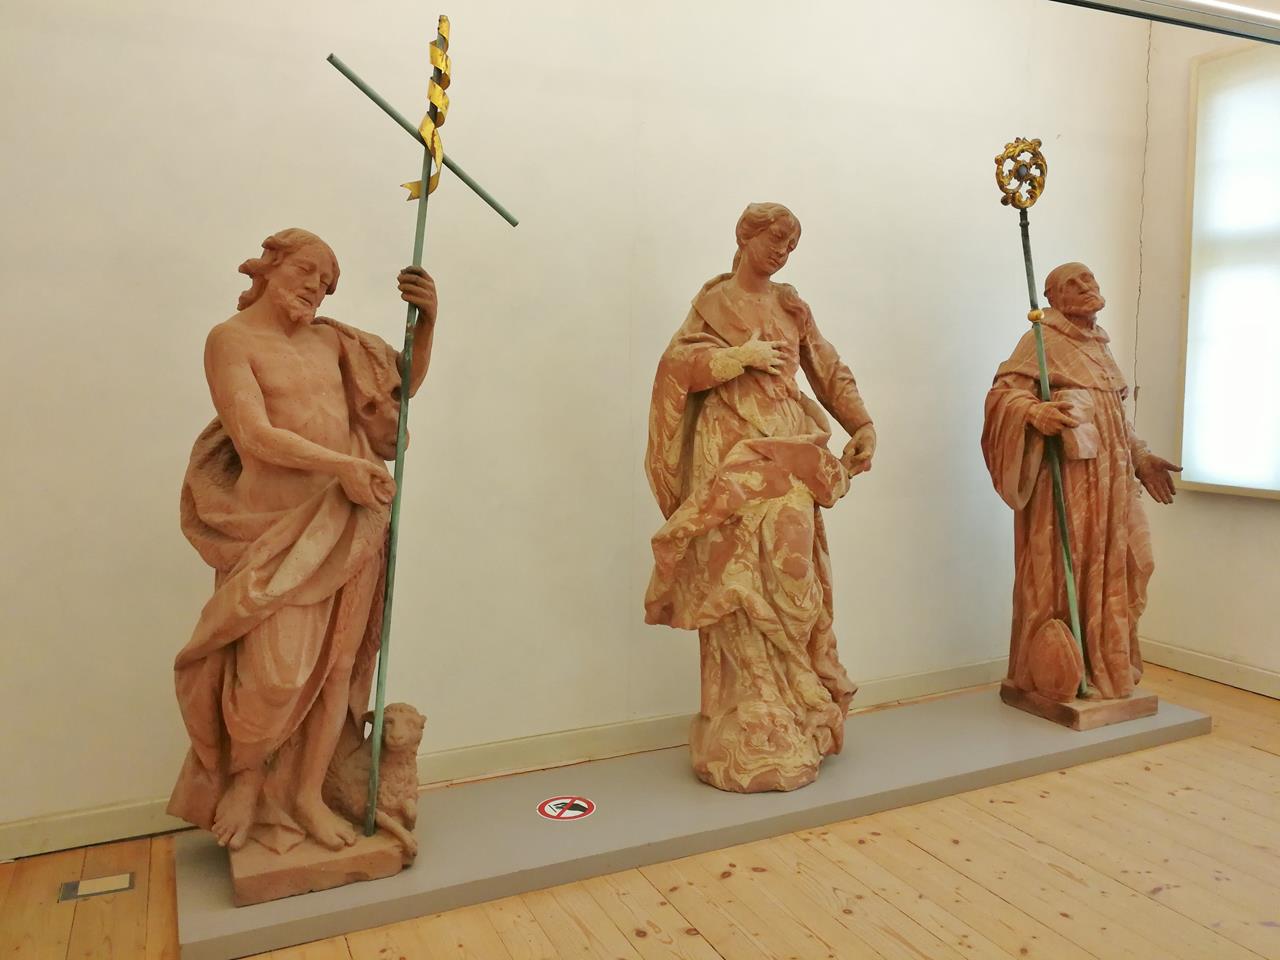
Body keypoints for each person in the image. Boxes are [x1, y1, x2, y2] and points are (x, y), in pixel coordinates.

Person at [168, 228, 438, 852]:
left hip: (349, 520)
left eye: (327, 281)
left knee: (339, 672)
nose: (317, 287)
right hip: (275, 528)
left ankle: (309, 796)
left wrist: (425, 325)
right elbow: (253, 435)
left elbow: (398, 393)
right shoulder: (231, 340)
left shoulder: (332, 342)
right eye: (307, 271)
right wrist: (342, 464)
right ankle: (246, 779)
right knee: (277, 674)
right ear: (269, 267)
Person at [645, 202, 875, 792]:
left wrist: (861, 422)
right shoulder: (713, 306)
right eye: (774, 239)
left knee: (793, 575)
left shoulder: (790, 306)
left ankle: (799, 701)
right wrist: (737, 357)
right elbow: (676, 368)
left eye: (790, 245)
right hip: (728, 453)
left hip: (788, 449)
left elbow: (827, 368)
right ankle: (748, 714)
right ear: (745, 237)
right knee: (734, 575)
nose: (781, 252)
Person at [982, 262, 1179, 701]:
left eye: (1089, 278)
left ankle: (1109, 660)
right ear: (1053, 297)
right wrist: (1035, 412)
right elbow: (1002, 397)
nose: (1087, 286)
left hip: (1115, 483)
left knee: (1138, 563)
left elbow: (1115, 418)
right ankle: (1069, 670)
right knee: (1065, 576)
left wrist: (1141, 457)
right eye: (1074, 283)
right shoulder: (1041, 341)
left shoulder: (1099, 345)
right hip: (1071, 485)